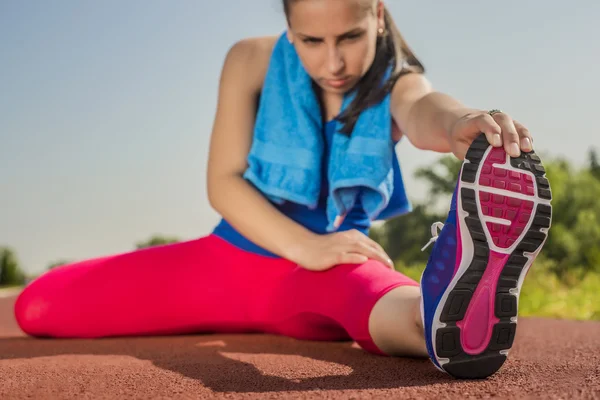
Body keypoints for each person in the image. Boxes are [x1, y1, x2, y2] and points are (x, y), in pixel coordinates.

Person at [13, 0, 552, 380]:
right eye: (311, 41)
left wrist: (460, 121)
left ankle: (446, 311)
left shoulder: (395, 80)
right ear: (289, 26)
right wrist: (303, 245)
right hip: (225, 262)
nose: (333, 62)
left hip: (332, 266)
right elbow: (222, 183)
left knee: (403, 310)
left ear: (378, 14)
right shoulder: (248, 59)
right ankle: (440, 301)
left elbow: (421, 109)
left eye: (349, 37)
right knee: (36, 307)